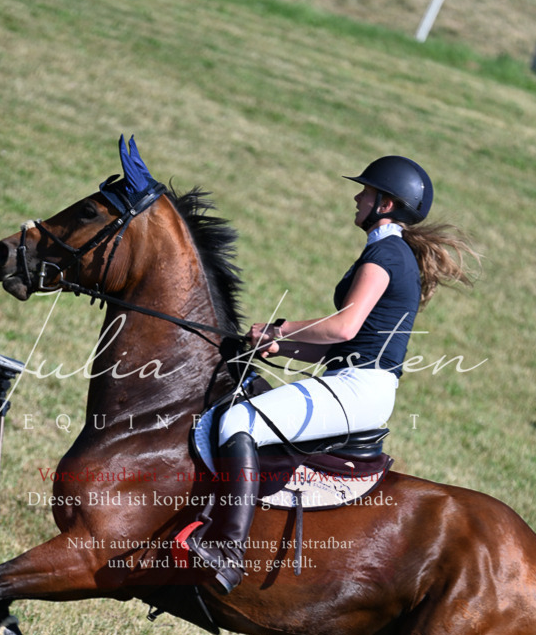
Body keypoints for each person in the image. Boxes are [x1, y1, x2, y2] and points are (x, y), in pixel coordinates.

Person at [186, 155, 479, 594]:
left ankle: (227, 549)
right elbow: (342, 344)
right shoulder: (388, 251)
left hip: (358, 389)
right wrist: (278, 347)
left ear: (386, 203)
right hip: (355, 383)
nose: (357, 196)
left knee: (238, 422)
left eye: (365, 191)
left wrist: (279, 328)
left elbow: (344, 325)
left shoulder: (386, 252)